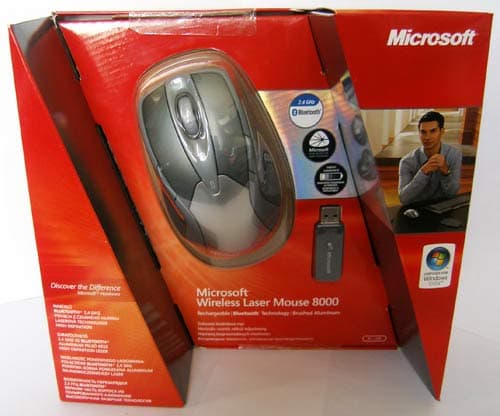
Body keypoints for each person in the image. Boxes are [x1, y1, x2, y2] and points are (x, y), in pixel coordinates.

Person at [398, 111, 462, 206]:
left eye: (433, 131)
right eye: (423, 132)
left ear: (442, 131)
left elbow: (452, 194)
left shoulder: (454, 155)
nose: (427, 137)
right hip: (417, 208)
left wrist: (445, 172)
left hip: (442, 207)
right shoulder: (407, 161)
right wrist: (423, 172)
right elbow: (404, 198)